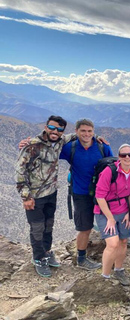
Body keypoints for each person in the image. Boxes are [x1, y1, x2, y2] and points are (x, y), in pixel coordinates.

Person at [15, 115, 76, 277]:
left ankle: (47, 252)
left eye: (59, 129)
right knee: (37, 228)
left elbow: (75, 135)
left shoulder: (60, 141)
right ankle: (38, 258)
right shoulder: (32, 146)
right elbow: (20, 171)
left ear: (63, 131)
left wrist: (96, 137)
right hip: (34, 196)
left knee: (49, 226)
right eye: (52, 127)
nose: (55, 131)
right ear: (46, 126)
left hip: (51, 193)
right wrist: (26, 197)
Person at [59, 118, 113, 270]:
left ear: (94, 132)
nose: (86, 134)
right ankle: (81, 258)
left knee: (111, 220)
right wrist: (28, 146)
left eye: (90, 131)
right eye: (83, 131)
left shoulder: (102, 147)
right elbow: (50, 153)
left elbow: (113, 166)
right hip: (81, 192)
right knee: (85, 227)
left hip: (102, 192)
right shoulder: (70, 147)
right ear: (76, 131)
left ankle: (116, 250)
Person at [95, 144, 130, 286]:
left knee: (123, 241)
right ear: (118, 157)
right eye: (123, 155)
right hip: (105, 211)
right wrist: (110, 218)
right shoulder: (109, 171)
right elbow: (100, 196)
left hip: (124, 211)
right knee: (113, 244)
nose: (127, 157)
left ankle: (119, 270)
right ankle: (105, 276)